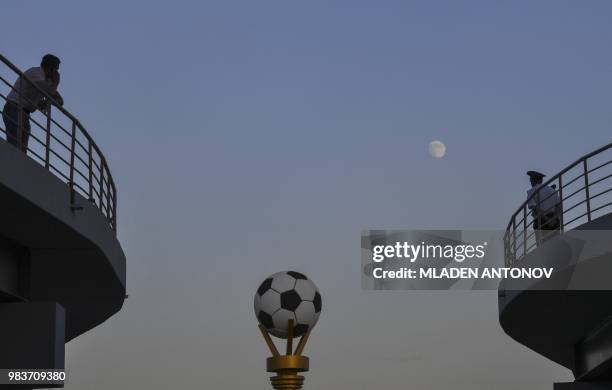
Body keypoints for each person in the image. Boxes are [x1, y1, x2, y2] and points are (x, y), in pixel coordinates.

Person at [2, 54, 64, 152]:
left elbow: (60, 101)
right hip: (14, 109)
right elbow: (50, 92)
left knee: (21, 149)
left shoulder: (46, 81)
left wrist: (47, 101)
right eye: (55, 70)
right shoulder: (36, 73)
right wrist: (56, 83)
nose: (56, 74)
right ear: (50, 68)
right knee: (14, 146)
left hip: (24, 113)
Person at [526, 170, 561, 243]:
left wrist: (547, 220)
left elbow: (534, 208)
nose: (530, 182)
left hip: (541, 221)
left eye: (531, 180)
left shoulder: (531, 191)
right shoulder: (552, 190)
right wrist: (554, 219)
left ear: (533, 180)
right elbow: (558, 206)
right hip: (554, 220)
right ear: (541, 180)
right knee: (556, 245)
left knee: (542, 247)